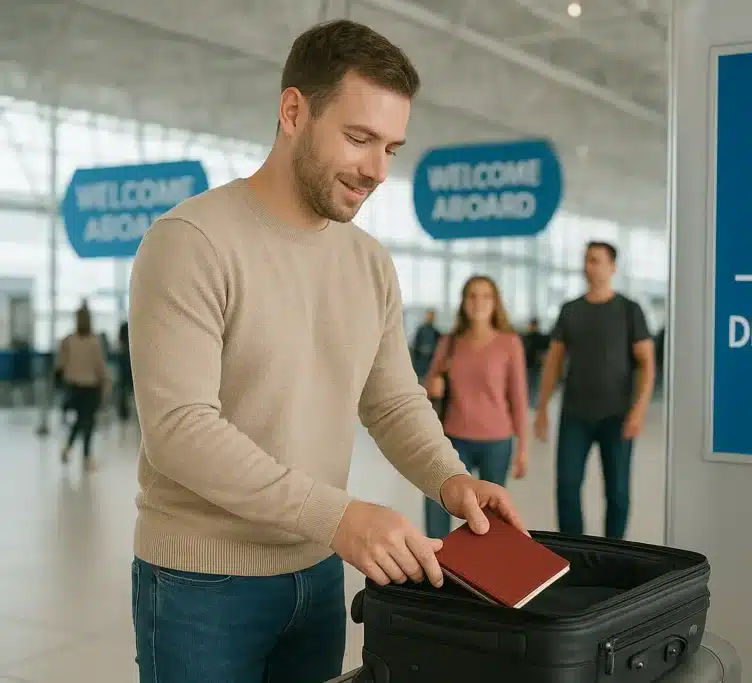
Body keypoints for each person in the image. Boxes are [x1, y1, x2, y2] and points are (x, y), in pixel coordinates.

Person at [126, 19, 527, 683]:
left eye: (392, 148)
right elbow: (178, 430)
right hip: (200, 583)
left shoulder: (370, 263)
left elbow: (393, 397)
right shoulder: (191, 241)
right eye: (359, 137)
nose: (376, 169)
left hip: (317, 574)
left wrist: (451, 479)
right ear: (293, 112)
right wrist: (339, 516)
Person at [534, 241, 655, 540]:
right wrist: (541, 409)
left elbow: (647, 364)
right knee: (567, 486)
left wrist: (639, 411)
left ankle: (614, 551)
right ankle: (573, 550)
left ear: (613, 267)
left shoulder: (629, 310)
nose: (590, 266)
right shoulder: (570, 310)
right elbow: (553, 363)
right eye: (587, 260)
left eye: (596, 260)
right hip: (575, 414)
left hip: (617, 415)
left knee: (617, 491)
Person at [424, 275, 529, 537]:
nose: (478, 301)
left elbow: (518, 398)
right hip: (453, 439)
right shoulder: (449, 342)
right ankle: (438, 564)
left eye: (485, 296)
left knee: (489, 517)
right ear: (463, 302)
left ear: (496, 303)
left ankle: (481, 570)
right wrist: (434, 386)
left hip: (496, 442)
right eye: (472, 295)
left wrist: (523, 449)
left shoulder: (509, 342)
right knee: (436, 504)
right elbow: (427, 388)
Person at [55, 306, 110, 471]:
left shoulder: (69, 341)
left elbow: (61, 364)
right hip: (91, 387)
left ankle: (69, 448)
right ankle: (86, 457)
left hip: (74, 386)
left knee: (80, 420)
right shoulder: (94, 341)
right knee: (88, 422)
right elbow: (99, 366)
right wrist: (106, 382)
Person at [409, 308, 440, 380]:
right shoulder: (420, 330)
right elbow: (415, 347)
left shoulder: (436, 332)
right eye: (429, 315)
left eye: (432, 316)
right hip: (420, 365)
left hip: (430, 365)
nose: (431, 317)